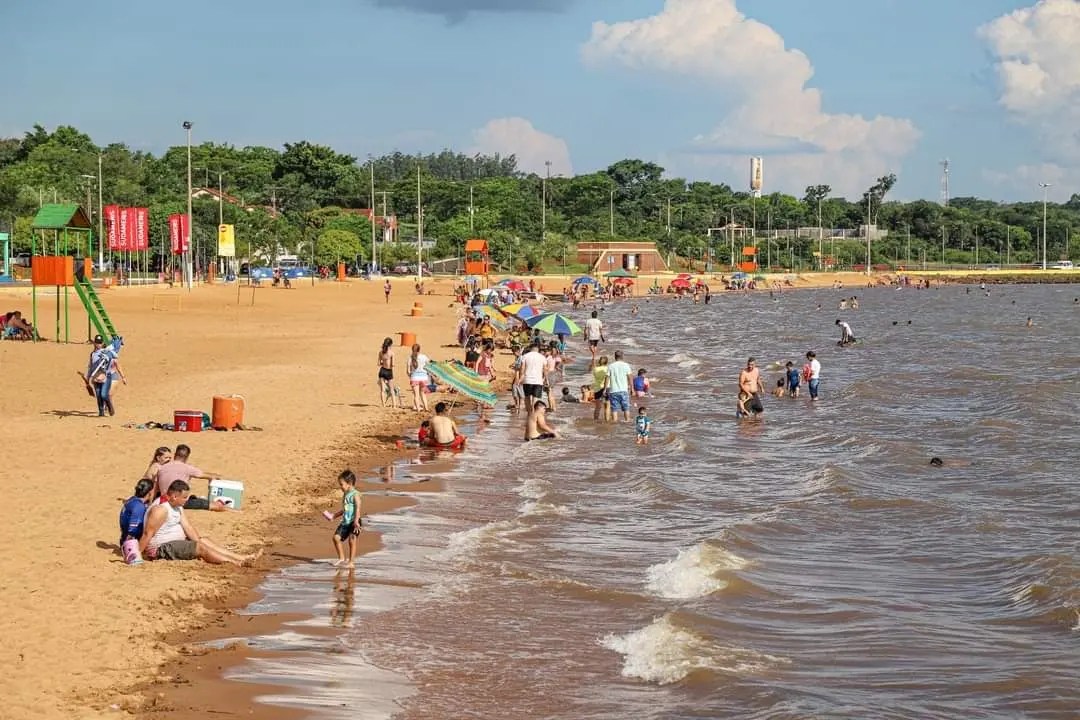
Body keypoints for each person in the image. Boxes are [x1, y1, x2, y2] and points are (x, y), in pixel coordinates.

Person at [140, 480, 260, 565]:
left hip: (173, 543)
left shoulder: (177, 507)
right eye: (185, 497)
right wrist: (137, 555)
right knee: (200, 547)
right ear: (175, 496)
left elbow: (188, 527)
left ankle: (243, 557)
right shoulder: (161, 510)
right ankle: (237, 563)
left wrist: (199, 540)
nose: (187, 500)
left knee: (203, 541)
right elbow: (147, 534)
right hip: (160, 549)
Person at [154, 444, 229, 511]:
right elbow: (207, 475)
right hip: (178, 501)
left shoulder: (162, 467)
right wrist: (218, 476)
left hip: (164, 499)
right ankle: (236, 511)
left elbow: (155, 488)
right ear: (187, 457)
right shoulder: (187, 468)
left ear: (175, 454)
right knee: (216, 505)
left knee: (193, 497)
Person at [119, 479, 157, 565]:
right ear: (150, 492)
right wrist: (131, 550)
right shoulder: (139, 507)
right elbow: (132, 530)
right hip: (131, 544)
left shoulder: (131, 500)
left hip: (123, 538)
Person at [88, 334, 126, 417]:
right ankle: (101, 412)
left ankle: (109, 407)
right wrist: (88, 377)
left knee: (105, 394)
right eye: (97, 343)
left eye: (100, 343)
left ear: (102, 344)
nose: (98, 344)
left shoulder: (107, 353)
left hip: (108, 376)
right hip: (96, 378)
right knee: (99, 396)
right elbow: (90, 366)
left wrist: (123, 377)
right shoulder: (93, 354)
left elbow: (116, 360)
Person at [329, 470, 361, 568]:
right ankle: (341, 558)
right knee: (336, 538)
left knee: (352, 540)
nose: (340, 487)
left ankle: (351, 562)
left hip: (354, 522)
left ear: (349, 483)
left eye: (341, 484)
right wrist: (334, 515)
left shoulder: (355, 494)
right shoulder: (345, 495)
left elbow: (358, 508)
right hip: (345, 522)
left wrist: (356, 521)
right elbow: (344, 510)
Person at [520, 340, 548, 420]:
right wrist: (546, 379)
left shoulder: (525, 356)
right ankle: (534, 414)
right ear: (538, 349)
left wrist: (521, 378)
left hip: (527, 380)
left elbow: (522, 368)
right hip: (538, 381)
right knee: (535, 399)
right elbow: (545, 370)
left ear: (531, 348)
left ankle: (529, 413)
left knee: (527, 397)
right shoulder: (542, 357)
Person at [606, 350, 635, 423]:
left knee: (614, 409)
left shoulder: (611, 366)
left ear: (615, 357)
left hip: (613, 391)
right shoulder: (626, 365)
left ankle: (614, 422)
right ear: (622, 356)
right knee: (626, 408)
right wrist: (632, 389)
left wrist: (605, 389)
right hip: (623, 390)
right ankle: (627, 421)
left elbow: (607, 378)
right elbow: (630, 378)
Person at [407, 343, 431, 412]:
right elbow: (429, 365)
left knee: (416, 395)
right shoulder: (424, 357)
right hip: (423, 377)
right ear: (419, 350)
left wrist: (411, 376)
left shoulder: (410, 358)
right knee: (423, 394)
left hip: (414, 377)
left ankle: (418, 409)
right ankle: (426, 408)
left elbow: (408, 371)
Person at [378, 337, 396, 408]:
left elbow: (379, 363)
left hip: (382, 371)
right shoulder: (391, 353)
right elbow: (393, 364)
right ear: (390, 345)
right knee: (391, 389)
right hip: (389, 371)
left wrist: (383, 362)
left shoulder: (380, 352)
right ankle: (394, 405)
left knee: (382, 389)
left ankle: (383, 405)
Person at [592, 355, 611, 422]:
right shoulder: (608, 369)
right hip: (607, 387)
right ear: (606, 362)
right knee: (607, 406)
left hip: (597, 388)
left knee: (597, 407)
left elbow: (594, 376)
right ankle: (607, 421)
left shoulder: (595, 369)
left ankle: (595, 421)